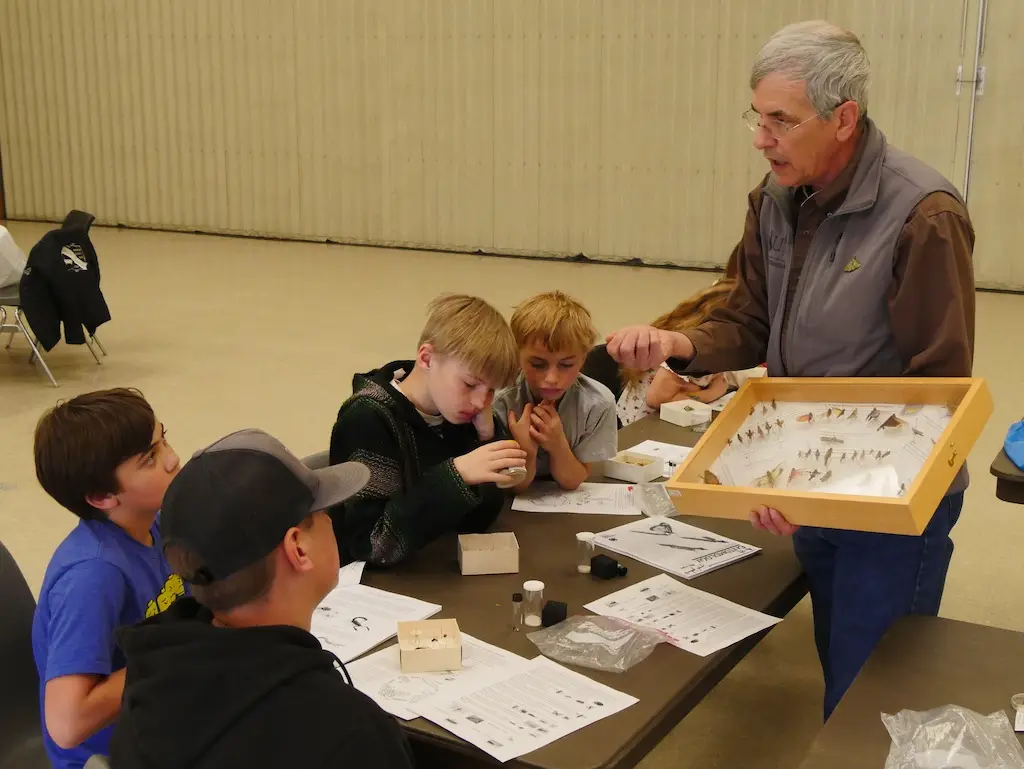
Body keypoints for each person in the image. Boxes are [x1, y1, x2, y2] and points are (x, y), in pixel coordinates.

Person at [606, 20, 975, 719]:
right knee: (841, 665)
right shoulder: (774, 202)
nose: (760, 137)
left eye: (780, 119)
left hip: (890, 501)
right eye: (757, 115)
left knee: (874, 700)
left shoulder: (921, 215)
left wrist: (827, 484)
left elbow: (939, 392)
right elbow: (748, 320)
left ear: (843, 119)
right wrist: (676, 346)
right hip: (815, 475)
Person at [109, 429, 415, 769]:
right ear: (298, 548)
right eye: (321, 512)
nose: (330, 520)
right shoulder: (349, 734)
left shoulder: (151, 674)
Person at [31, 388, 186, 768]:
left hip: (159, 715)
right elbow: (67, 724)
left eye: (163, 439)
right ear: (102, 497)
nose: (173, 459)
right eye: (150, 458)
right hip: (111, 756)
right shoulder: (93, 576)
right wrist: (178, 651)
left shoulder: (156, 522)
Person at [329, 294, 527, 566]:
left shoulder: (460, 412)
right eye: (470, 384)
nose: (482, 402)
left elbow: (479, 519)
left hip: (433, 572)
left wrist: (485, 438)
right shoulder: (368, 419)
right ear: (426, 358)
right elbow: (372, 544)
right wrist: (456, 476)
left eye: (491, 390)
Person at [493, 291, 617, 491]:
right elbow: (515, 487)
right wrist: (527, 451)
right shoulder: (498, 400)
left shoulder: (598, 403)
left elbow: (572, 481)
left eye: (566, 365)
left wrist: (557, 443)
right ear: (517, 354)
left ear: (583, 358)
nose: (551, 379)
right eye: (537, 364)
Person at [616, 276, 766, 427]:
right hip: (641, 427)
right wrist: (711, 393)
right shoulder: (682, 353)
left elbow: (721, 376)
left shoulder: (701, 342)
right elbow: (657, 400)